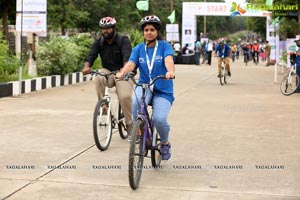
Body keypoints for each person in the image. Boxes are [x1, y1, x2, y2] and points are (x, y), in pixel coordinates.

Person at [116, 15, 175, 160]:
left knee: (160, 119)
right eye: (146, 30)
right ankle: (140, 133)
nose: (149, 32)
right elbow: (131, 64)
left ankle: (165, 142)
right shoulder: (138, 49)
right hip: (144, 86)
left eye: (152, 29)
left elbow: (168, 60)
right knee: (135, 103)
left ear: (157, 31)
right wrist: (122, 73)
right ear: (143, 32)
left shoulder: (164, 46)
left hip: (163, 89)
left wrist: (170, 71)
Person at [82, 16, 133, 134]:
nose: (105, 31)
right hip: (108, 71)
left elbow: (127, 57)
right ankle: (103, 106)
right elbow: (91, 55)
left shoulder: (123, 40)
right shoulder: (99, 42)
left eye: (108, 28)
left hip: (123, 72)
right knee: (99, 77)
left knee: (124, 97)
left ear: (114, 28)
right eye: (103, 28)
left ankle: (130, 124)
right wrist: (86, 66)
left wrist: (123, 71)